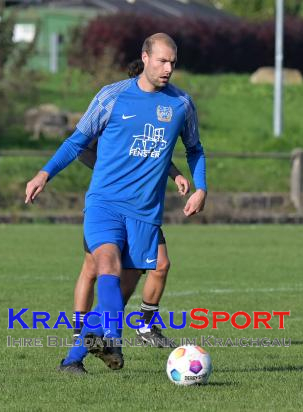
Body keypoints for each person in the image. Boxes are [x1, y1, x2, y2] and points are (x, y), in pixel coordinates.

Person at [25, 33, 207, 374]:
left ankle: (72, 360)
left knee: (119, 295)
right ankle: (113, 340)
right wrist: (43, 174)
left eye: (172, 63)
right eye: (162, 61)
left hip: (145, 213)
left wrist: (201, 186)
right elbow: (76, 141)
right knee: (104, 266)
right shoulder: (111, 97)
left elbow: (195, 149)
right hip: (105, 204)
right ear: (145, 56)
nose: (168, 68)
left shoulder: (181, 104)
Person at [72, 60, 190, 349]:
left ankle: (145, 325)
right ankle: (81, 332)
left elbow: (152, 152)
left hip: (141, 207)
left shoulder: (162, 109)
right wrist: (112, 173)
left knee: (157, 265)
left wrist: (175, 174)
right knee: (92, 269)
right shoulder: (113, 105)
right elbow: (81, 149)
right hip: (109, 204)